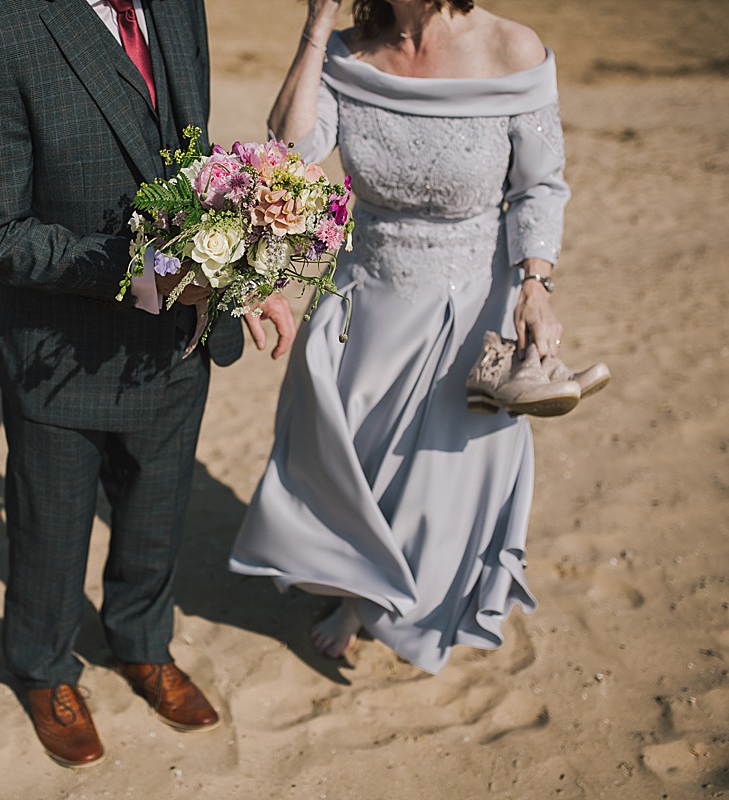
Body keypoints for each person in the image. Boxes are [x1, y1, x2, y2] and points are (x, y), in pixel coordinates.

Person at [0, 0, 294, 769]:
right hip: (59, 343)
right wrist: (150, 272)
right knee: (51, 525)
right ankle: (43, 669)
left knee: (156, 507)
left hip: (183, 334)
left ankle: (140, 645)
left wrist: (246, 267)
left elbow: (189, 159)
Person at [230, 0, 571, 674]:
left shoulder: (514, 50)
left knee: (438, 473)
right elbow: (291, 151)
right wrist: (316, 29)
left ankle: (383, 604)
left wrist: (535, 285)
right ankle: (361, 584)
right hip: (366, 293)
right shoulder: (349, 52)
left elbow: (540, 187)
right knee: (350, 456)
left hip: (472, 297)